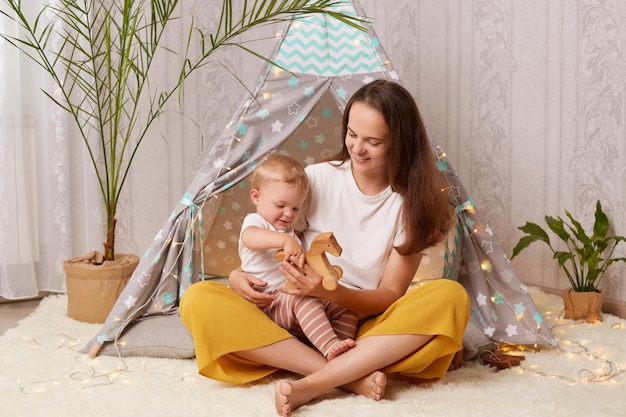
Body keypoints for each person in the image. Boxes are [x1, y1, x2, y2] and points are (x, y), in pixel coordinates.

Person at [180, 79, 470, 417]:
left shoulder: (411, 206)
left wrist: (332, 293)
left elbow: (390, 294)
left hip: (360, 326)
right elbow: (271, 238)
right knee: (198, 299)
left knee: (450, 297)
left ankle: (311, 384)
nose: (358, 148)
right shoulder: (316, 178)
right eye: (352, 134)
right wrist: (237, 276)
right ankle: (349, 377)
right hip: (288, 313)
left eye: (373, 141)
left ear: (400, 143)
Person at [239, 153, 358, 360]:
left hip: (291, 295)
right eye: (280, 206)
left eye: (296, 208)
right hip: (271, 302)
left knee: (345, 307)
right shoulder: (256, 222)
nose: (288, 214)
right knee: (305, 301)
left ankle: (340, 347)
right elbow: (249, 238)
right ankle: (329, 347)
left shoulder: (290, 233)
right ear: (256, 197)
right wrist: (284, 240)